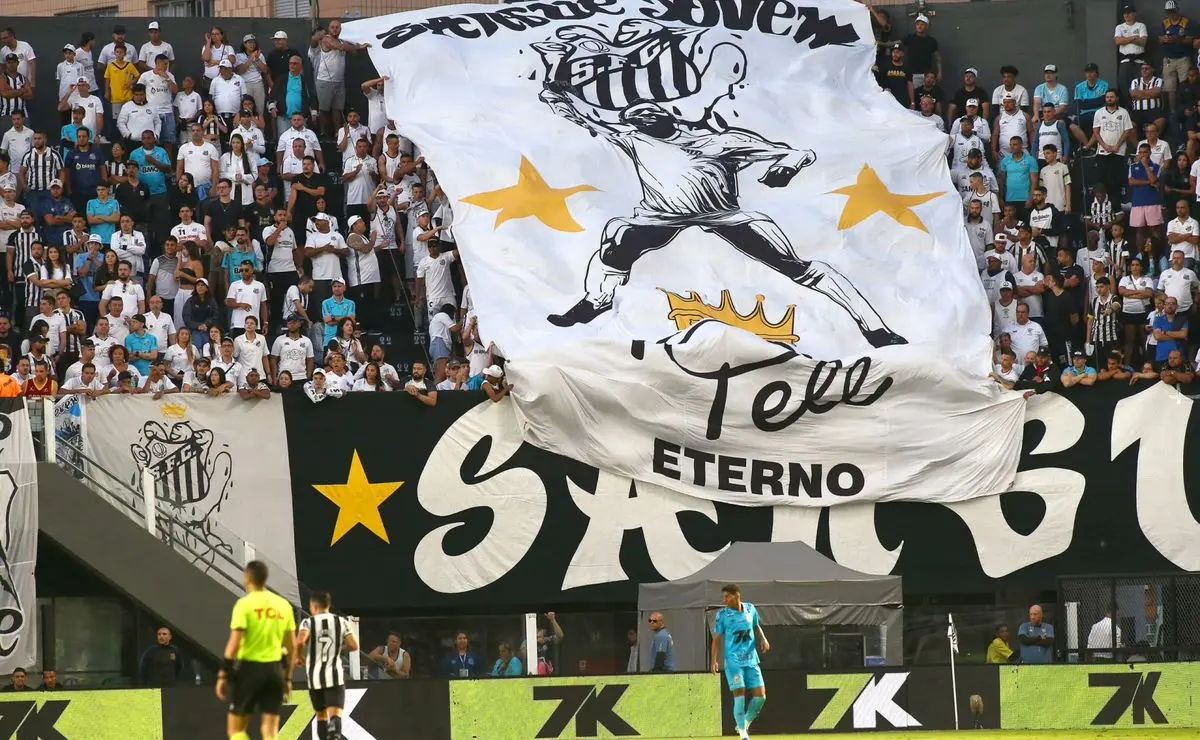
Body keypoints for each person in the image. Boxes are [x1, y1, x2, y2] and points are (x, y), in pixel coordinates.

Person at [537, 83, 905, 347]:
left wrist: (787, 166)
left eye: (648, 113)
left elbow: (795, 152)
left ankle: (874, 327)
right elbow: (585, 119)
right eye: (635, 117)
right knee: (617, 234)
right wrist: (556, 97)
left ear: (666, 115)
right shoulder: (634, 138)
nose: (641, 119)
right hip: (661, 215)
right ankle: (596, 300)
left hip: (724, 214)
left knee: (796, 266)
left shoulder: (722, 141)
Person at [217, 560, 297, 740]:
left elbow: (234, 644)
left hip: (249, 670)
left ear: (247, 578)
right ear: (265, 578)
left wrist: (223, 674)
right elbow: (292, 648)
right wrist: (287, 678)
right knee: (270, 731)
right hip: (275, 671)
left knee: (236, 730)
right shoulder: (283, 605)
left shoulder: (244, 604)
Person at [296, 590, 358, 740]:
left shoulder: (308, 622)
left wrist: (298, 656)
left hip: (314, 678)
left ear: (313, 606)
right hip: (334, 676)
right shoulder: (341, 622)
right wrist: (338, 649)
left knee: (321, 716)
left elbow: (299, 641)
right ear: (328, 605)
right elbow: (354, 645)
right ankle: (334, 736)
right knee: (335, 715)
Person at [711, 583, 768, 740]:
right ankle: (743, 734)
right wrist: (714, 660)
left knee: (761, 696)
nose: (724, 600)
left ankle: (745, 722)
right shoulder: (722, 615)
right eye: (723, 597)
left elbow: (756, 625)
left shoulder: (750, 608)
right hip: (733, 661)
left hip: (751, 659)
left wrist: (763, 639)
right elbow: (716, 640)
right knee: (739, 693)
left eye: (727, 596)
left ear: (737, 595)